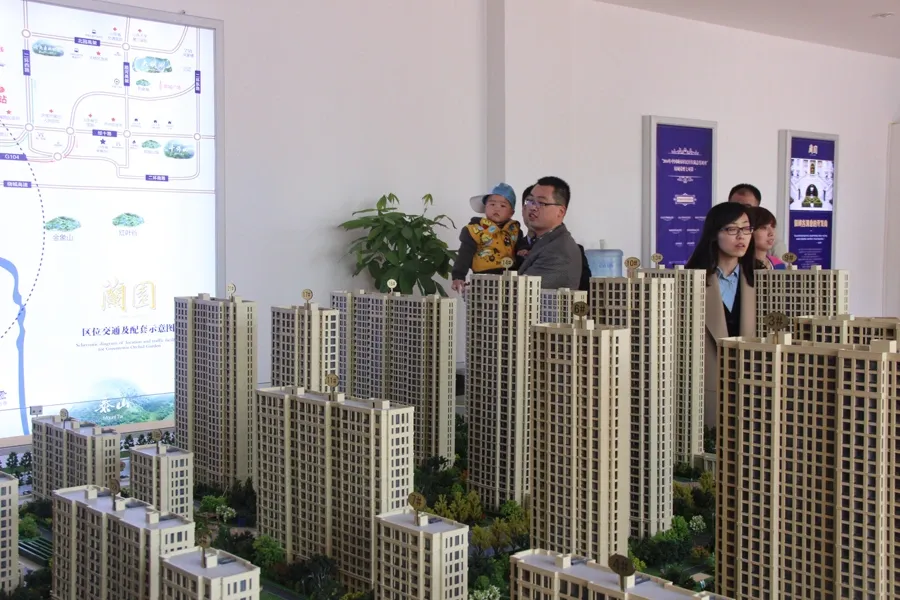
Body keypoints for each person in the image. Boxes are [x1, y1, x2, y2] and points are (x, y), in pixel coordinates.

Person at [685, 202, 757, 429]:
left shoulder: (760, 280)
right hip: (705, 386)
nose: (741, 236)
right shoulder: (691, 281)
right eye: (732, 229)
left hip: (751, 387)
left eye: (746, 228)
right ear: (714, 233)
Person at [451, 182, 521, 293]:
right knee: (484, 303)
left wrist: (524, 250)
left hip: (511, 280)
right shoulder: (474, 230)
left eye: (503, 206)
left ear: (511, 213)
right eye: (492, 204)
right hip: (483, 280)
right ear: (485, 208)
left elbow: (520, 251)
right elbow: (464, 254)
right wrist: (458, 276)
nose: (496, 209)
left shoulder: (515, 231)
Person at [517, 176, 583, 290]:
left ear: (560, 212)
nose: (532, 207)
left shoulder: (559, 252)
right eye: (530, 201)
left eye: (541, 203)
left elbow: (522, 293)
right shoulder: (544, 240)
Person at [728, 183, 788, 259]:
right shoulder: (720, 237)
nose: (740, 212)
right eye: (735, 207)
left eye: (747, 207)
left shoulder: (773, 243)